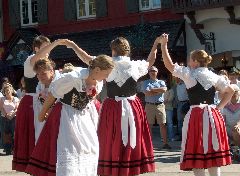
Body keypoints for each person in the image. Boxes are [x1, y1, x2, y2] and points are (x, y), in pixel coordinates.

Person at [65, 36, 160, 175]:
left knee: (111, 137)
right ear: (127, 50)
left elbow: (86, 58)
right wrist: (156, 44)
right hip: (132, 106)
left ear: (113, 50)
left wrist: (73, 46)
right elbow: (151, 60)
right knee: (130, 136)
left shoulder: (107, 65)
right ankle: (130, 167)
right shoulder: (135, 65)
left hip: (113, 107)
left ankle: (113, 167)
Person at [25, 55, 114, 176]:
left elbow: (89, 100)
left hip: (83, 117)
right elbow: (53, 95)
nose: (107, 77)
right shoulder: (72, 78)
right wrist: (41, 114)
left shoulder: (99, 82)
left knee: (90, 147)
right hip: (66, 115)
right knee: (69, 148)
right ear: (97, 70)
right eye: (106, 73)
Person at [160, 33, 234, 176]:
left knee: (197, 150)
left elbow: (169, 66)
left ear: (195, 61)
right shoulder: (214, 75)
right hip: (213, 114)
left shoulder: (189, 74)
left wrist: (163, 46)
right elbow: (230, 90)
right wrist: (219, 107)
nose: (188, 62)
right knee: (213, 152)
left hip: (197, 115)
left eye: (190, 59)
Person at [12, 36, 64, 172]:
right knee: (35, 137)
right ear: (36, 49)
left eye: (50, 48)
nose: (49, 50)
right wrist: (56, 43)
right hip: (32, 103)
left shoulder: (47, 65)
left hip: (45, 102)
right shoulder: (30, 60)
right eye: (46, 47)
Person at [143, 66, 171, 149]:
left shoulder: (161, 81)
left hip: (160, 105)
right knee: (149, 125)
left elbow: (164, 90)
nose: (152, 72)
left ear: (157, 72)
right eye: (151, 71)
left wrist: (152, 90)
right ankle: (149, 144)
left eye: (154, 70)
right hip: (149, 105)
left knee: (162, 124)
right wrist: (158, 90)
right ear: (148, 72)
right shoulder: (145, 82)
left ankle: (165, 143)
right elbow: (147, 93)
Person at [0, 83, 19, 155]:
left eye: (8, 90)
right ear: (4, 92)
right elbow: (1, 108)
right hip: (4, 118)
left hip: (14, 118)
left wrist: (12, 115)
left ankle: (14, 149)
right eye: (6, 91)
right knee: (6, 134)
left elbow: (17, 108)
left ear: (11, 91)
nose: (7, 92)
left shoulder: (16, 98)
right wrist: (6, 115)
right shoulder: (2, 99)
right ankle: (7, 149)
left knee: (14, 133)